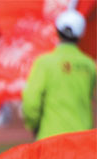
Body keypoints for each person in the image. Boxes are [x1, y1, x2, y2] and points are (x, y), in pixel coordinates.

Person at [22, 9, 96, 139]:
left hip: (51, 138)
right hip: (82, 138)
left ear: (57, 30)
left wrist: (33, 124)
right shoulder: (89, 65)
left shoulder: (44, 63)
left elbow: (31, 101)